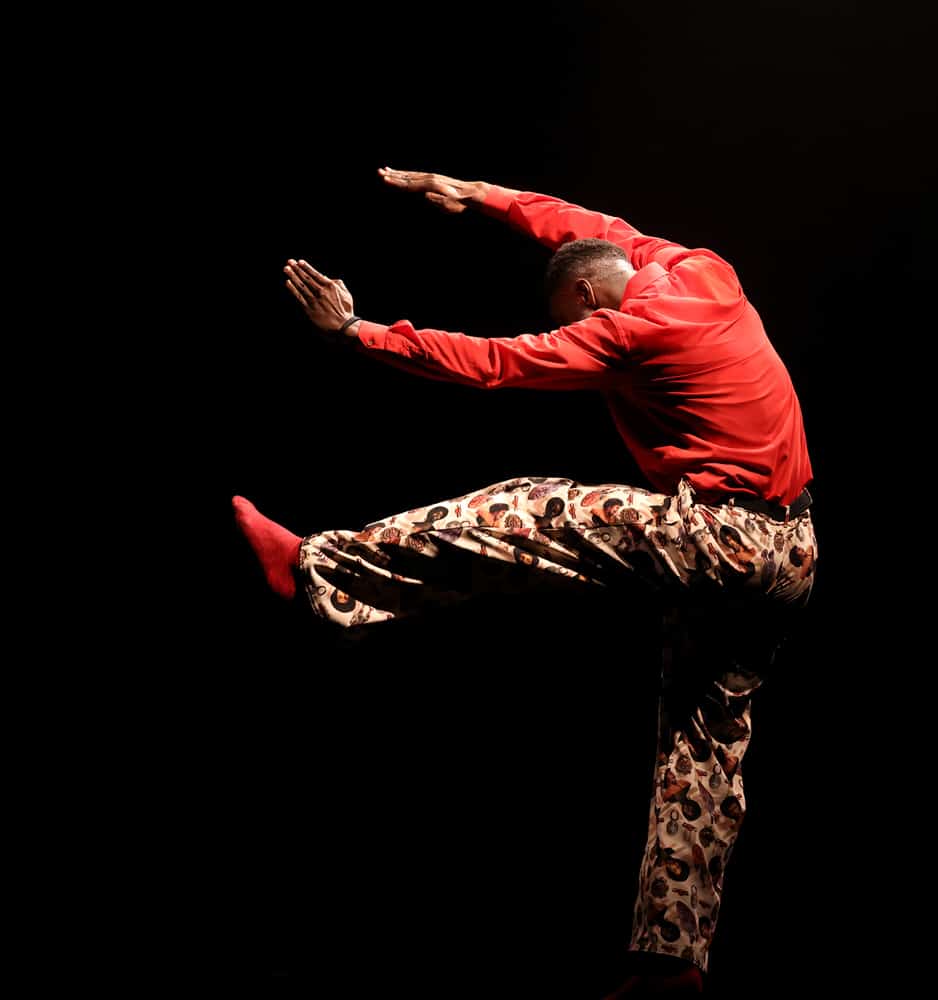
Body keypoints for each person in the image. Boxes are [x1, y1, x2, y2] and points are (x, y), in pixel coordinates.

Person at [233, 167, 817, 997]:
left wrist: (358, 331)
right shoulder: (699, 268)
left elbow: (496, 364)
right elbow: (593, 224)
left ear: (586, 297)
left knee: (528, 508)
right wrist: (488, 197)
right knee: (702, 741)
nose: (574, 332)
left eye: (571, 318)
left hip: (724, 537)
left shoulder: (628, 329)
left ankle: (316, 571)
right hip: (794, 552)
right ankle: (671, 960)